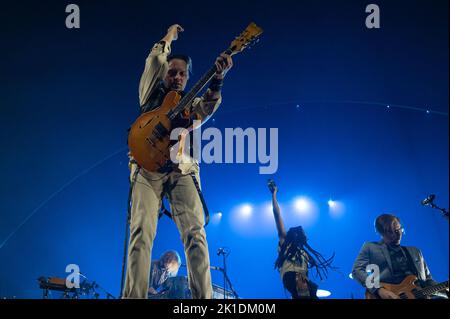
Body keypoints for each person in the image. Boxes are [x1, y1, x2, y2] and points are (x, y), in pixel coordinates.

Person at [123, 24, 233, 299]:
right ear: (164, 75)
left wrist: (218, 79)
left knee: (196, 235)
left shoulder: (190, 103)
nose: (178, 77)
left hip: (182, 168)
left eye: (183, 74)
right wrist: (168, 37)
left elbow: (206, 109)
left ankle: (203, 301)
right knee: (141, 233)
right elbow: (154, 60)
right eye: (173, 72)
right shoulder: (151, 92)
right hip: (147, 168)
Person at [351, 213, 448, 299]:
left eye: (398, 229)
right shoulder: (370, 247)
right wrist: (379, 290)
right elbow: (357, 270)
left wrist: (445, 292)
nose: (397, 234)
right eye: (391, 231)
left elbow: (428, 280)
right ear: (382, 232)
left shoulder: (415, 251)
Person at [268, 179, 335, 299]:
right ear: (296, 235)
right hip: (293, 276)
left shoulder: (302, 252)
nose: (306, 235)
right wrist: (274, 194)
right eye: (303, 232)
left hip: (299, 279)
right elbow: (277, 215)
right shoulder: (286, 242)